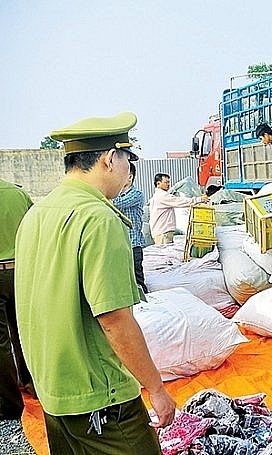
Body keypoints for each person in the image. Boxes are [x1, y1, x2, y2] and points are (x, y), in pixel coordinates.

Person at [15, 112, 176, 454]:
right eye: (128, 162)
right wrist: (156, 389)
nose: (128, 173)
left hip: (54, 393)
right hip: (101, 400)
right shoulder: (99, 219)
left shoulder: (37, 214)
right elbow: (114, 320)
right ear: (108, 160)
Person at [0, 179, 33, 420]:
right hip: (22, 269)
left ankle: (11, 403)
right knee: (25, 331)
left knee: (1, 342)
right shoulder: (16, 193)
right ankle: (33, 383)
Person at [113, 162, 148, 293]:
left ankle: (146, 301)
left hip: (133, 244)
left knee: (137, 277)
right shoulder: (117, 194)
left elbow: (116, 204)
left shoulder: (136, 194)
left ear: (130, 177)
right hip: (120, 243)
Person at [148, 173, 207, 244]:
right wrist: (198, 200)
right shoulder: (162, 196)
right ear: (158, 183)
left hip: (162, 231)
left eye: (169, 182)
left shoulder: (157, 196)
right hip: (163, 232)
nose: (168, 184)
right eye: (166, 182)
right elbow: (179, 201)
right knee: (165, 253)